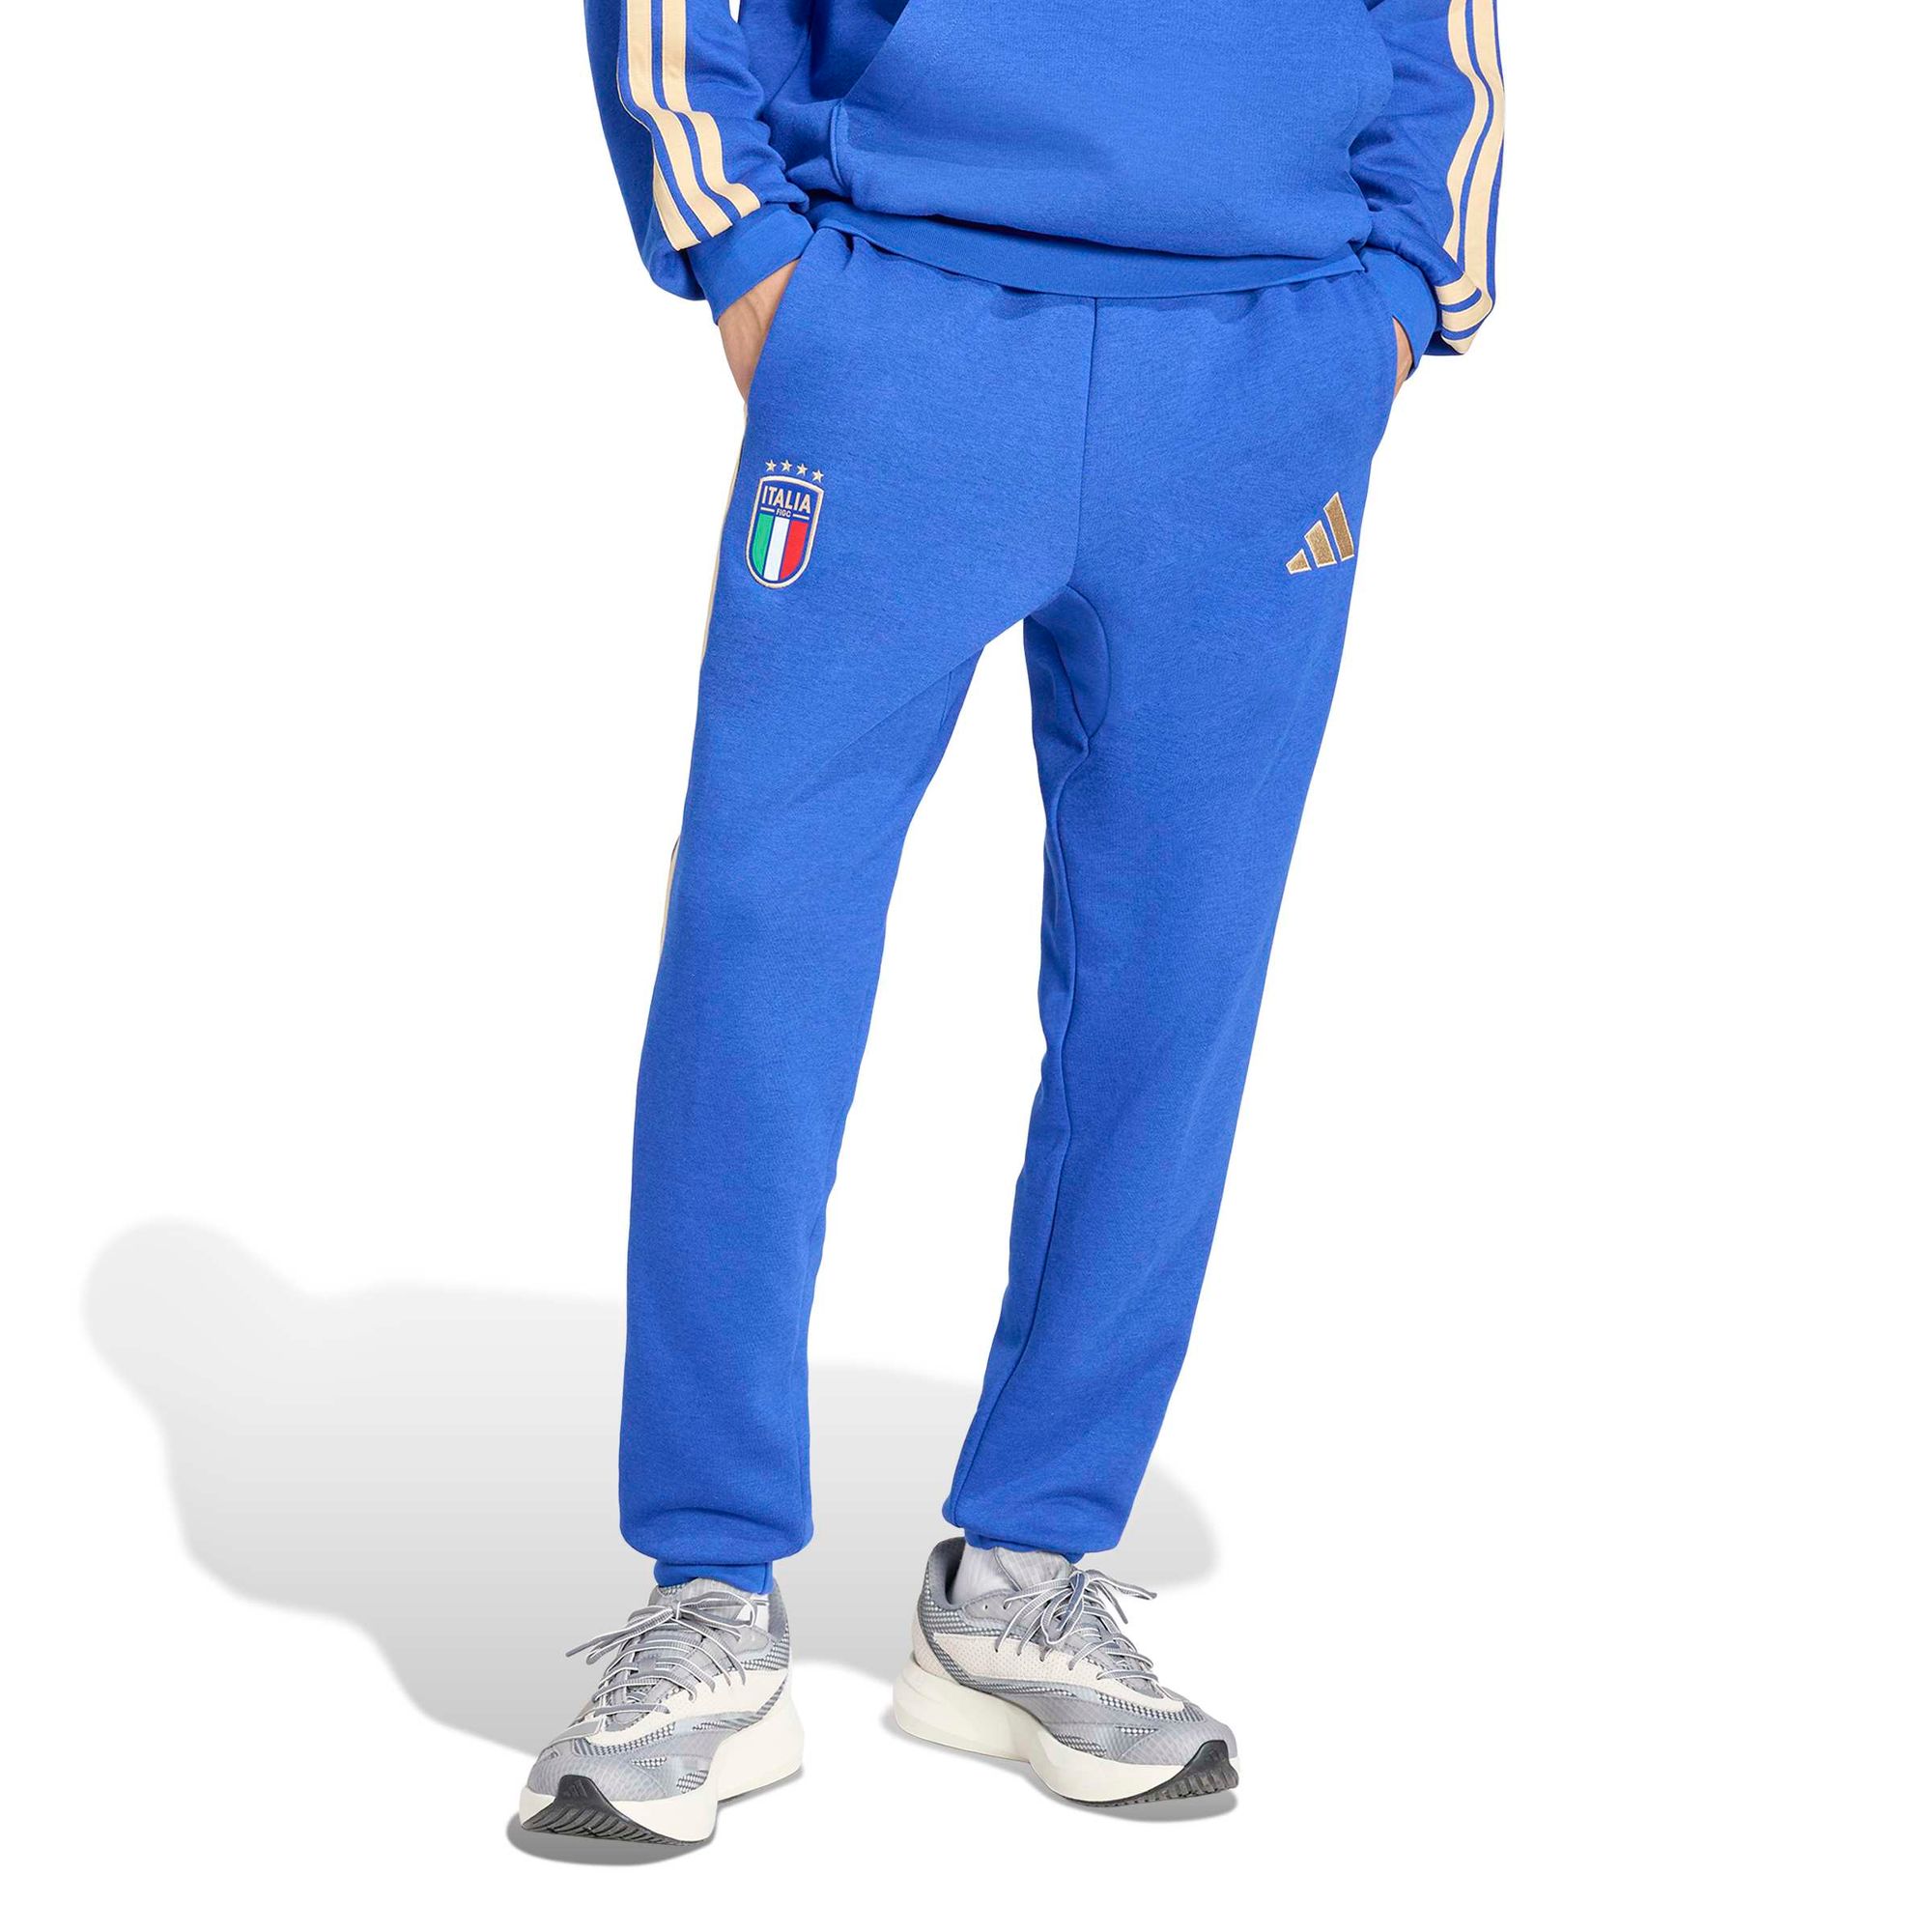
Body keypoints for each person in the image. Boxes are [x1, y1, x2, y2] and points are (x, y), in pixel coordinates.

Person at [518, 0, 1504, 1842]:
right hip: (901, 320)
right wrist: (742, 246)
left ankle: (1024, 1575)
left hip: (1267, 360)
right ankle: (710, 1588)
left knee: (1174, 983)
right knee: (759, 946)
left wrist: (1406, 289)